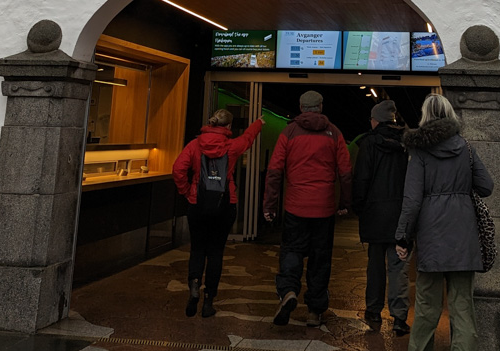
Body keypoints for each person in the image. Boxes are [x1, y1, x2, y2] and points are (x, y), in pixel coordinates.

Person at [396, 93, 494, 351]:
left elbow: (412, 199)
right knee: (463, 309)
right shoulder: (466, 148)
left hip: (432, 238)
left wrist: (402, 238)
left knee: (427, 308)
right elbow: (487, 187)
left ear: (425, 116)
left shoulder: (419, 152)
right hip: (464, 237)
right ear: (450, 115)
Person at [263, 90, 352, 328]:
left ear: (301, 108)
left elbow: (274, 171)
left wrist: (269, 205)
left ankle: (289, 291)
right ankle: (314, 311)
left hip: (296, 206)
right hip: (323, 208)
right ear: (320, 107)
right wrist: (344, 202)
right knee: (320, 259)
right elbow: (345, 172)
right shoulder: (334, 133)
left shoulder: (289, 132)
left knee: (291, 251)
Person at [172, 107, 264, 318]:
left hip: (198, 203)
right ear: (229, 126)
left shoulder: (195, 145)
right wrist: (258, 123)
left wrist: (188, 192)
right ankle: (208, 302)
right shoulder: (231, 146)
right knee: (215, 252)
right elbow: (248, 139)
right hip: (225, 205)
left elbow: (178, 169)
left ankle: (194, 285)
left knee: (197, 250)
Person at [352, 99, 411, 336]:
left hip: (375, 214)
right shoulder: (406, 144)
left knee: (374, 266)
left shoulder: (368, 144)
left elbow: (361, 179)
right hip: (400, 214)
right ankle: (399, 317)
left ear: (375, 120)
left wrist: (359, 207)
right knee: (398, 266)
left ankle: (374, 310)